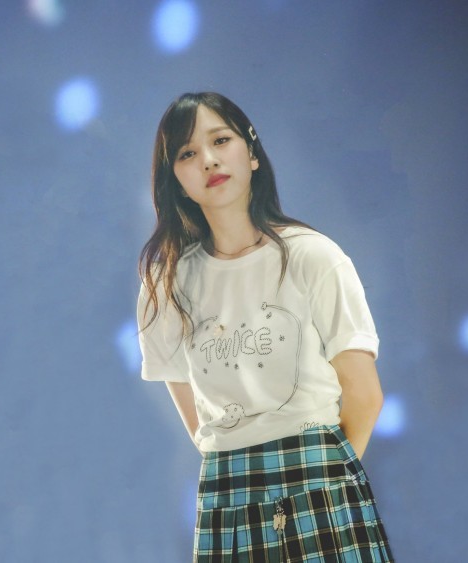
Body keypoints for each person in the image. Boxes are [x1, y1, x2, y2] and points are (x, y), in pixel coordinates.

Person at [137, 92, 394, 562]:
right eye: (188, 153)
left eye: (221, 140)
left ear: (252, 154)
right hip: (227, 495)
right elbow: (202, 423)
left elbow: (366, 395)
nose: (209, 160)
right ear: (177, 181)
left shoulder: (313, 256)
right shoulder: (168, 285)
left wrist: (324, 480)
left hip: (321, 479)